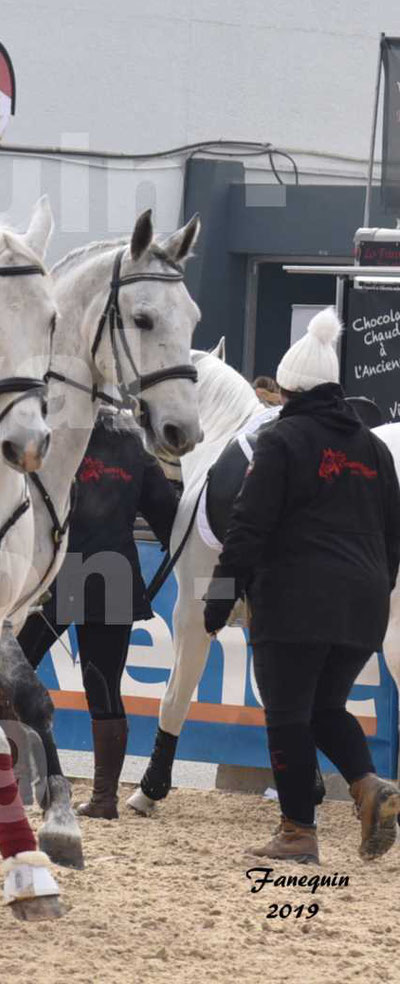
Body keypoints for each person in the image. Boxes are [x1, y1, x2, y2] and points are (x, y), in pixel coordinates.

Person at [204, 308, 400, 864]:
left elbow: (248, 527)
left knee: (287, 712)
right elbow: (394, 537)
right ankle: (367, 786)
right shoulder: (374, 449)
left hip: (294, 602)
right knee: (324, 708)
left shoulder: (280, 441)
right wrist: (374, 592)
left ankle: (297, 832)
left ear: (287, 388)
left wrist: (219, 600)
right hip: (363, 606)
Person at [1, 407, 179, 818]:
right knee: (103, 689)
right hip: (110, 575)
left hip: (56, 573)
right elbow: (169, 522)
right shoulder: (135, 446)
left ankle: (16, 778)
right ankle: (103, 799)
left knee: (13, 669)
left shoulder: (54, 436)